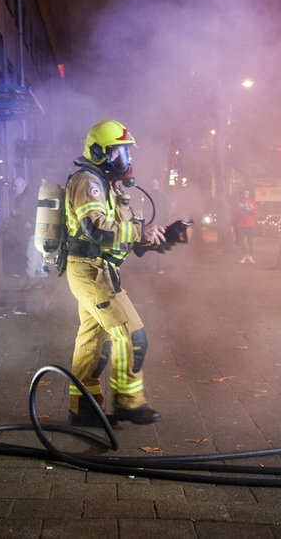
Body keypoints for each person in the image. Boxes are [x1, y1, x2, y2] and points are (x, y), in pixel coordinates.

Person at [64, 119, 166, 427]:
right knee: (131, 334)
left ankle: (83, 410)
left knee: (93, 343)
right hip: (90, 269)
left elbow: (122, 233)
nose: (127, 160)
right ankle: (127, 401)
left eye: (127, 152)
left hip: (97, 269)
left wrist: (150, 238)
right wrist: (137, 232)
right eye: (120, 152)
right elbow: (94, 227)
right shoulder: (87, 181)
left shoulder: (108, 186)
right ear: (99, 152)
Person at [233, 189, 259, 264]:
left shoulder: (252, 202)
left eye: (247, 193)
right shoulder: (238, 203)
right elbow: (235, 213)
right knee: (240, 241)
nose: (246, 195)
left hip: (251, 225)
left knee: (250, 242)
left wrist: (250, 210)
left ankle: (250, 256)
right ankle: (245, 255)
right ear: (242, 194)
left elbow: (256, 212)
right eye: (245, 193)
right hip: (241, 225)